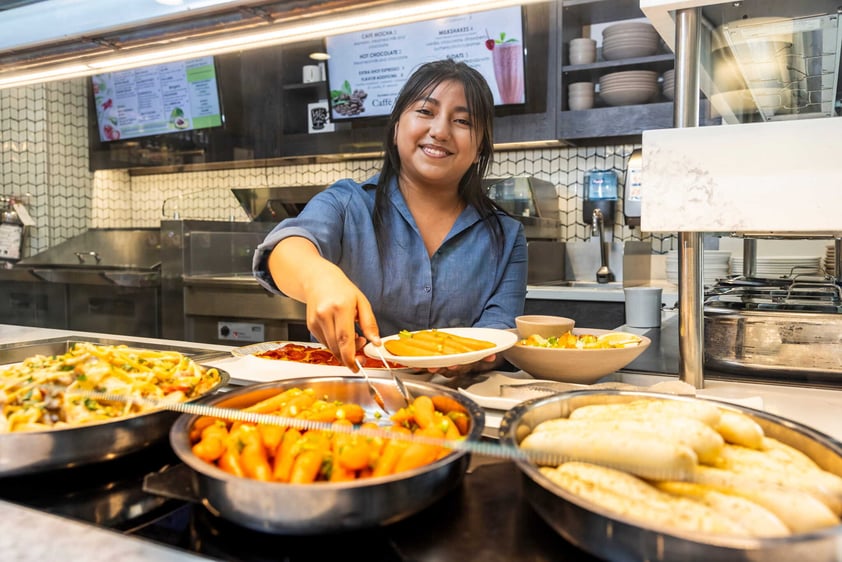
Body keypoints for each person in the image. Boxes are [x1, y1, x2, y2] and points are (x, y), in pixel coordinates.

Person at [253, 59, 527, 375]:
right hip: (346, 396)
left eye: (463, 121)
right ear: (397, 126)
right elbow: (285, 249)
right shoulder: (347, 202)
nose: (439, 131)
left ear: (480, 145)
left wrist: (470, 357)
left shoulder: (507, 236)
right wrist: (318, 279)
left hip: (456, 406)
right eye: (425, 112)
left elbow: (500, 330)